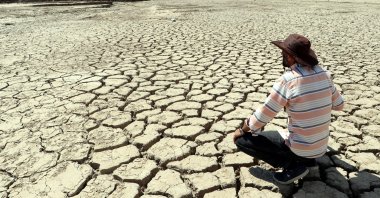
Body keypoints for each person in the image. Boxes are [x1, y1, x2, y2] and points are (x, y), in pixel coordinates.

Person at [233, 34, 344, 184]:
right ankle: (308, 162)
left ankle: (292, 166)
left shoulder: (289, 80)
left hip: (300, 149)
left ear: (291, 57)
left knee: (242, 141)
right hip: (320, 148)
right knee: (294, 132)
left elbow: (264, 114)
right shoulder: (325, 74)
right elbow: (339, 105)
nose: (282, 55)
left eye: (284, 52)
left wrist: (243, 129)